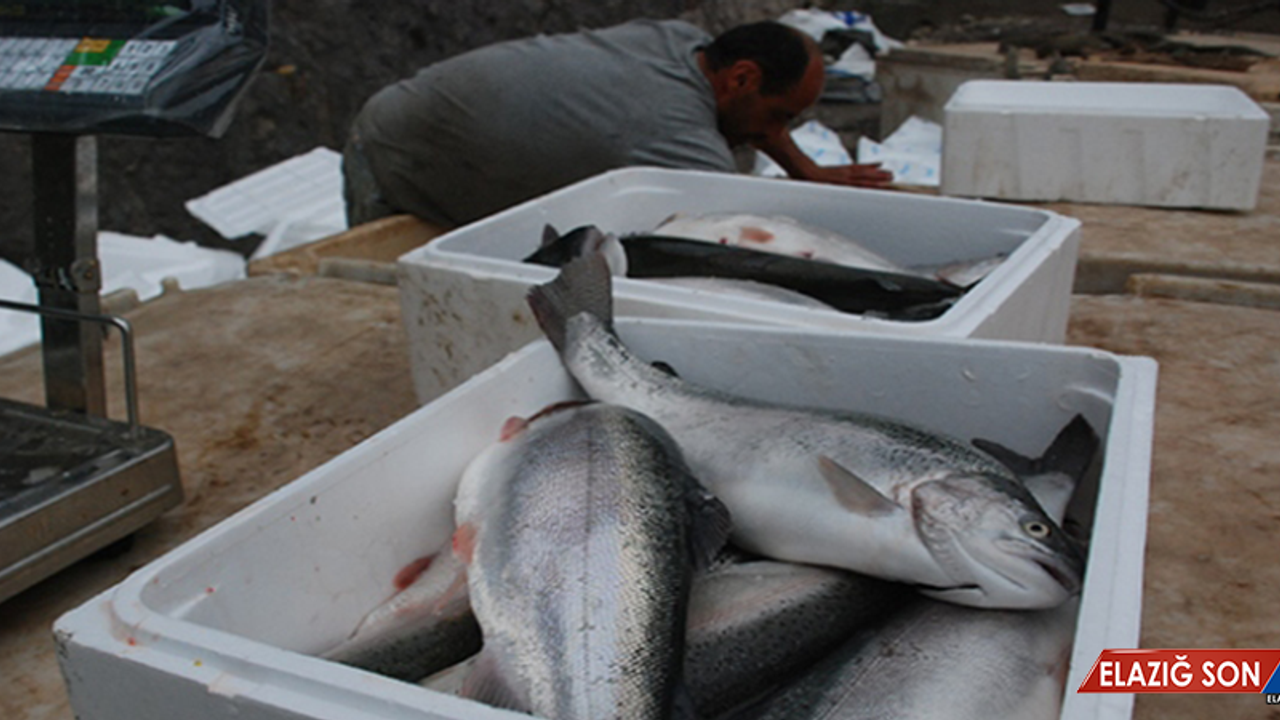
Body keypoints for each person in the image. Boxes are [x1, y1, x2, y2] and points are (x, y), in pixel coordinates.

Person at [342, 19, 892, 229]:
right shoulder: (673, 135)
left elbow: (755, 119)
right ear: (743, 77)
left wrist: (805, 168)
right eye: (782, 116)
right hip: (395, 154)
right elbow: (741, 232)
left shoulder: (683, 41)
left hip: (438, 121)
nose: (779, 130)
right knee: (388, 314)